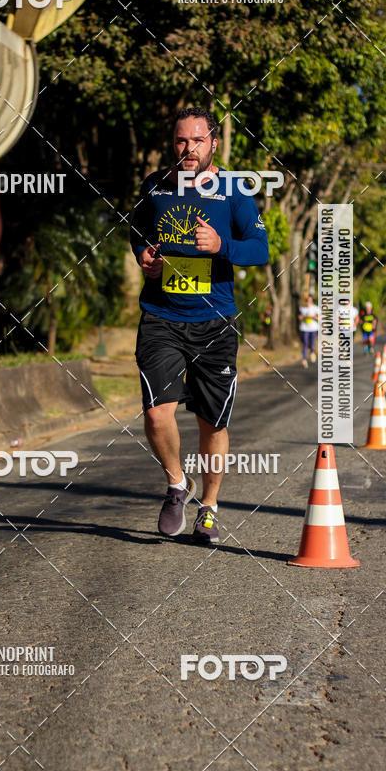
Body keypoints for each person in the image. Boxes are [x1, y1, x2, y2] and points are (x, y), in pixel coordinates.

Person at [129, 106, 269, 544]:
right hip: (161, 316)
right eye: (180, 140)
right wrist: (143, 255)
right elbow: (137, 230)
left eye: (197, 140)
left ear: (213, 144)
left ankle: (209, 505)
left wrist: (222, 245)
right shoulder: (155, 185)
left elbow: (260, 248)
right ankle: (177, 484)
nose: (188, 149)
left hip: (215, 323)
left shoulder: (233, 191)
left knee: (212, 423)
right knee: (157, 414)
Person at [298, 294, 319, 368]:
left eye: (310, 301)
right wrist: (302, 317)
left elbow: (319, 318)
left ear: (312, 301)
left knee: (312, 343)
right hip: (304, 328)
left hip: (313, 328)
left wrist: (312, 316)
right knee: (305, 343)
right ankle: (304, 359)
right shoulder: (302, 308)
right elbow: (299, 316)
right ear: (305, 301)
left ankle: (312, 352)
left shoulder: (315, 308)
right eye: (307, 301)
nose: (308, 302)